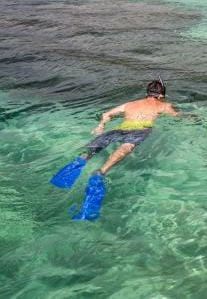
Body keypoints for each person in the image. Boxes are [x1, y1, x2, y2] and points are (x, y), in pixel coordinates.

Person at [50, 78, 181, 220]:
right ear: (161, 96)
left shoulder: (129, 104)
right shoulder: (164, 105)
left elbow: (106, 114)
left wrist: (100, 126)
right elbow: (176, 116)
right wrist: (192, 117)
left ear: (146, 93)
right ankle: (100, 172)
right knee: (125, 148)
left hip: (119, 129)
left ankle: (74, 167)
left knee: (89, 152)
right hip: (140, 130)